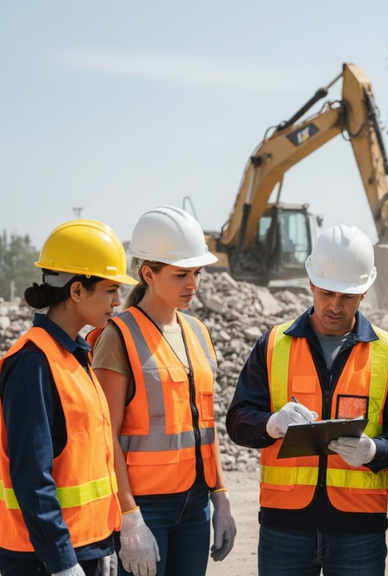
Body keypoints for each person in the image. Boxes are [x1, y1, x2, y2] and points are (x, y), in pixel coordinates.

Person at [226, 224, 388, 576]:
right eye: (327, 292)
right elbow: (238, 421)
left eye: (346, 296)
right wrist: (271, 424)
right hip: (284, 529)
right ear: (312, 283)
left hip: (359, 531)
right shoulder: (272, 345)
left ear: (364, 292)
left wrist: (375, 451)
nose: (334, 305)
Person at [91, 206, 236, 576]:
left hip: (196, 503)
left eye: (197, 273)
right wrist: (129, 517)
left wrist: (220, 498)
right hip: (146, 506)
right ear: (148, 274)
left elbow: (207, 425)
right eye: (181, 274)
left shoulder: (199, 332)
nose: (193, 284)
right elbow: (105, 438)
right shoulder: (118, 336)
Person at [0, 219, 138, 576]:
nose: (117, 301)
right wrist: (62, 561)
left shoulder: (76, 356)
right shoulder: (33, 362)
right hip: (41, 559)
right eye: (110, 290)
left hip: (83, 547)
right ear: (77, 291)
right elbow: (32, 476)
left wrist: (103, 542)